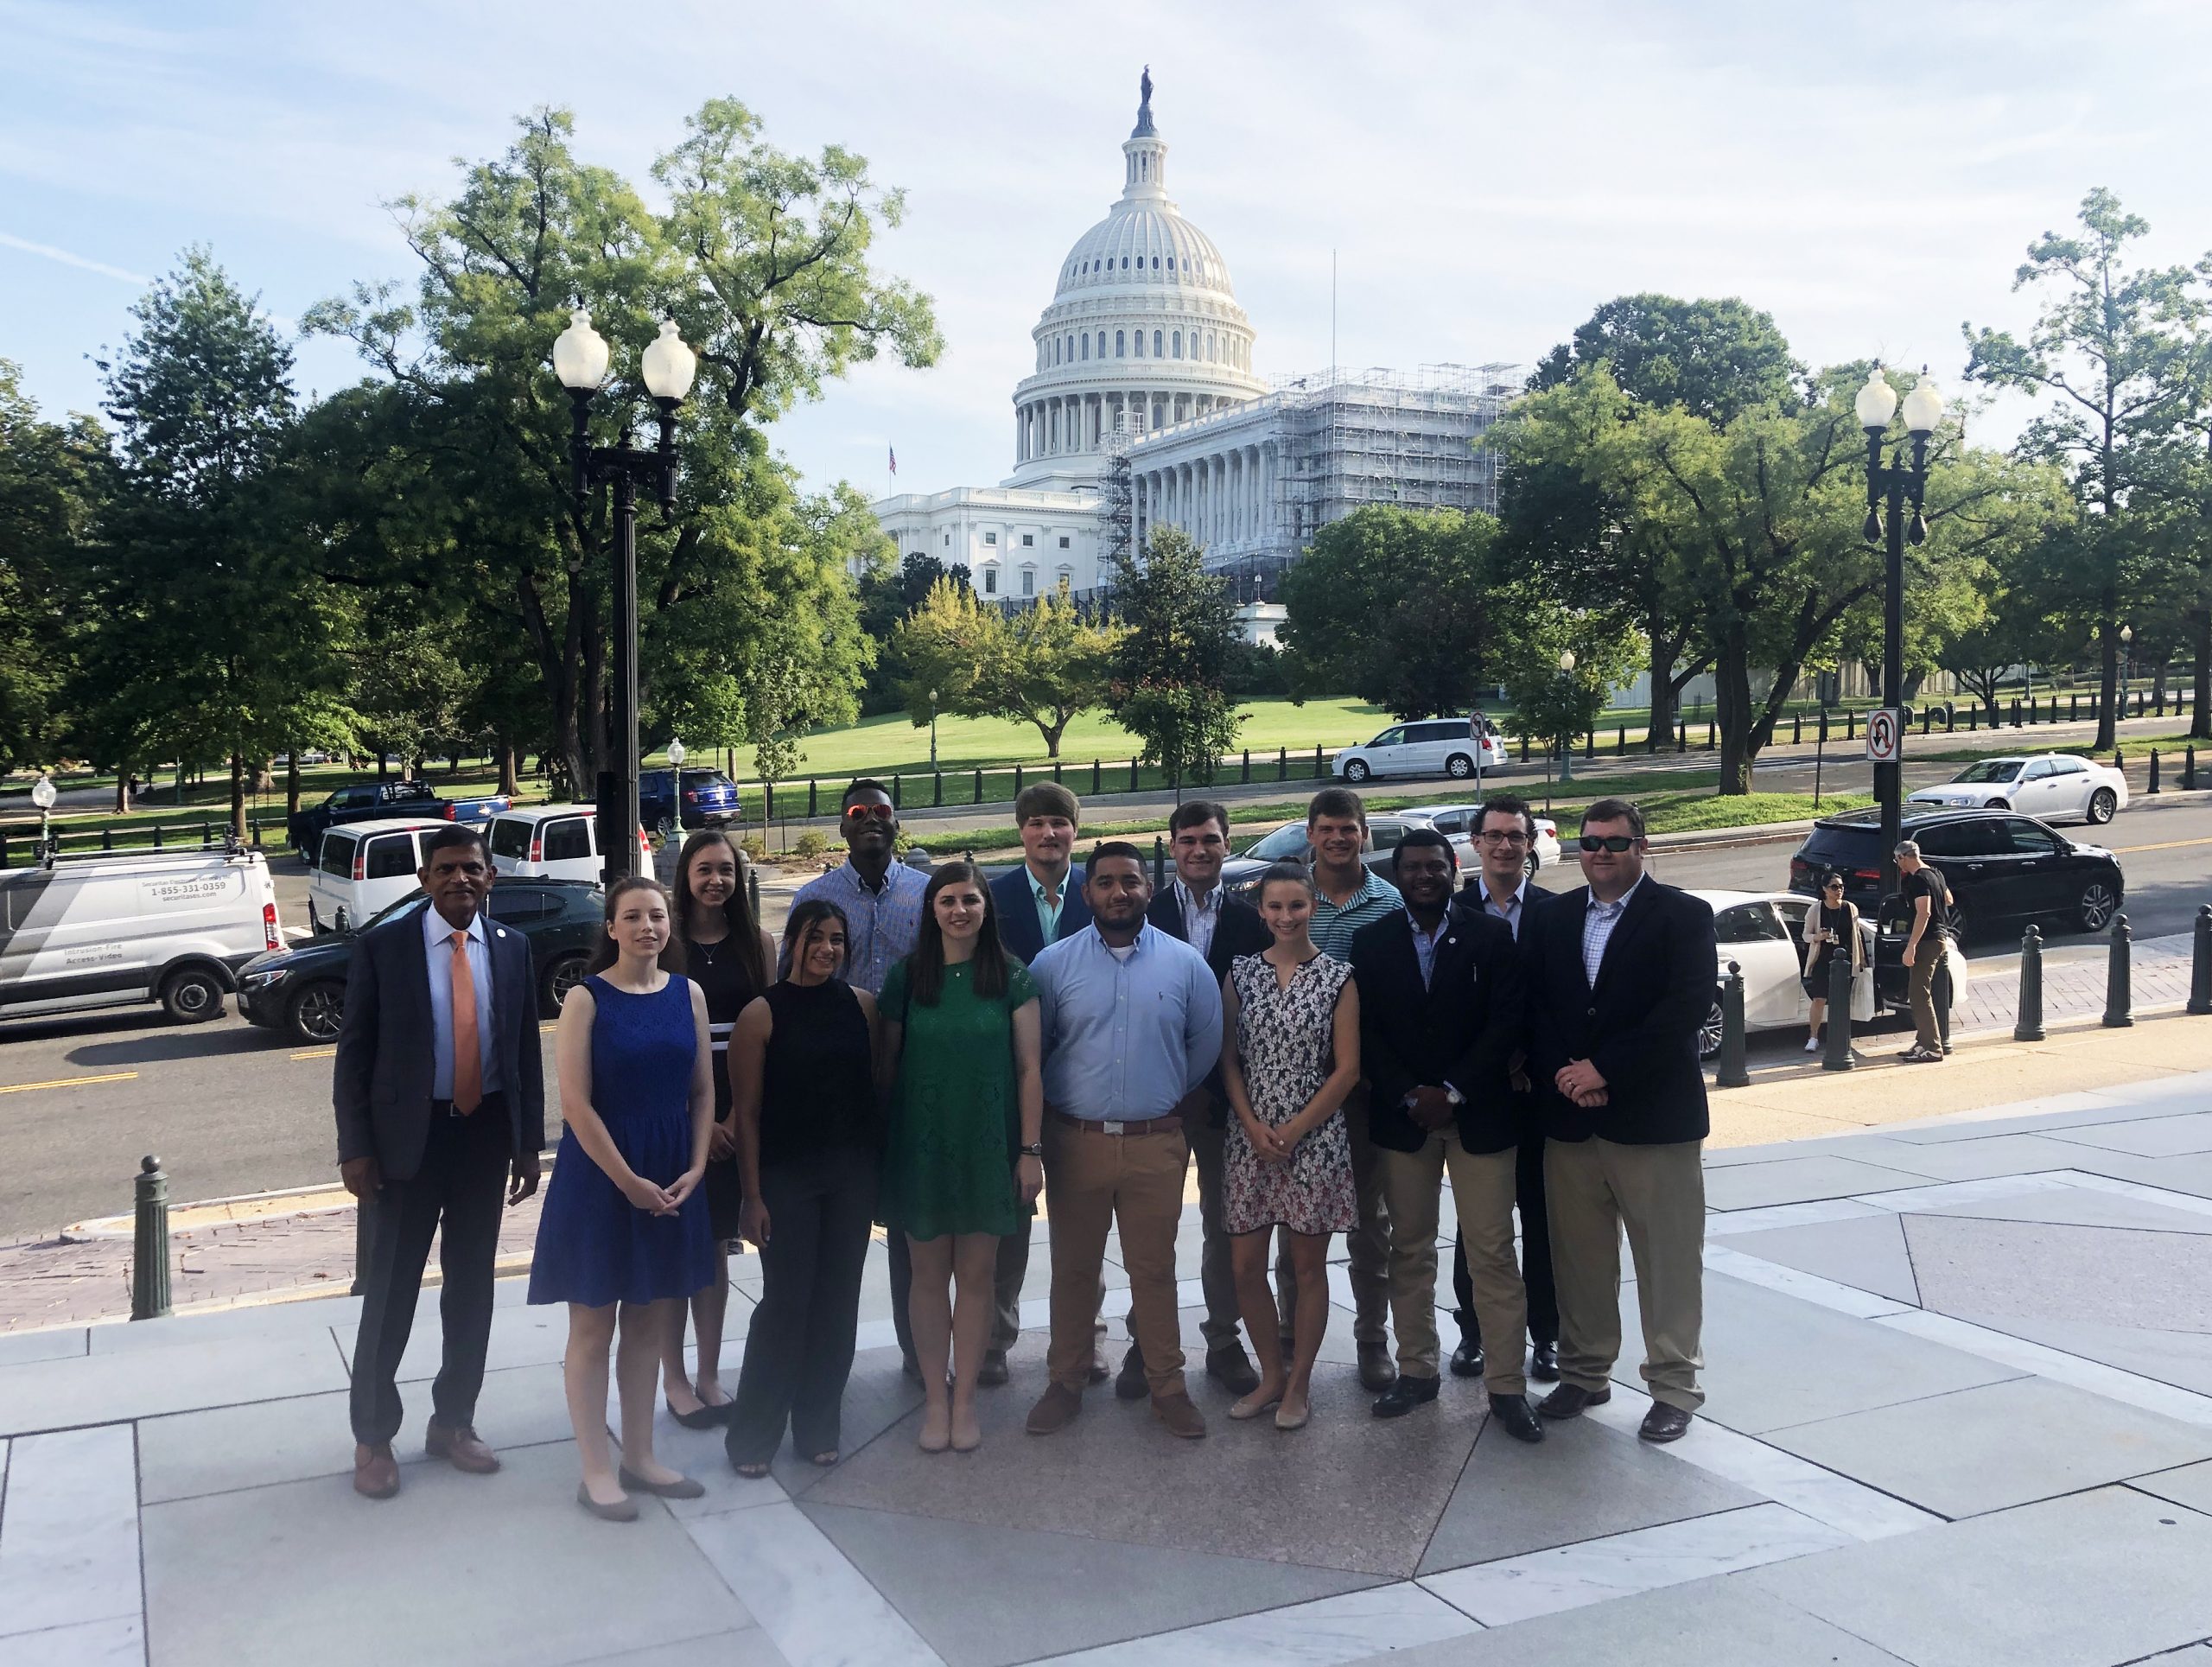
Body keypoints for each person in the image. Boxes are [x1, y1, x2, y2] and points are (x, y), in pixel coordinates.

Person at [335, 824, 544, 1502]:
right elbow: (354, 1056)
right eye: (447, 869)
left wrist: (526, 1143)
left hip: (483, 1135)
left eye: (473, 869)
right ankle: (373, 1436)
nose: (461, 879)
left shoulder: (514, 950)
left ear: (492, 878)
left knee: (472, 1289)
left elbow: (523, 1053)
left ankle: (453, 1421)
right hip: (406, 1144)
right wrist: (356, 1147)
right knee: (391, 1290)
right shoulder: (383, 947)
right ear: (425, 880)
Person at [1523, 799, 1716, 1443]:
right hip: (1571, 1120)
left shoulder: (1683, 916)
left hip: (1654, 1119)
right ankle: (1584, 1371)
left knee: (1666, 1261)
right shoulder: (1551, 917)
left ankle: (1672, 1386)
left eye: (1613, 842)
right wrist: (1568, 1074)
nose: (1600, 853)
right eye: (1590, 843)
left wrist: (1604, 1069)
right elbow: (1538, 1008)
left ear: (1641, 845)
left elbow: (1684, 1007)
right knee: (1580, 1258)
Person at [529, 877, 716, 1519]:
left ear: (671, 925)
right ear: (611, 926)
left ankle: (640, 1455)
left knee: (649, 1320)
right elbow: (576, 1104)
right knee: (592, 1325)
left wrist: (694, 1167)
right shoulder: (586, 998)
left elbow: (701, 1094)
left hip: (670, 1173)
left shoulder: (688, 993)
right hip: (601, 1177)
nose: (647, 926)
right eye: (632, 916)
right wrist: (627, 1180)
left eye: (657, 915)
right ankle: (595, 1470)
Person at [1024, 843, 1224, 1441]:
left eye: (1131, 881)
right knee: (1074, 1268)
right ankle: (1066, 1378)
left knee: (1155, 1270)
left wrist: (1152, 1094)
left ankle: (1168, 1385)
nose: (1119, 892)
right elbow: (1040, 1049)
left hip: (1154, 1143)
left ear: (1147, 888)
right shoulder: (1052, 964)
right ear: (1087, 892)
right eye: (1106, 882)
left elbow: (1203, 1046)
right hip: (1075, 1141)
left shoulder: (1186, 964)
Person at [1352, 830, 1540, 1440]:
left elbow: (1508, 1021)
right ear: (1398, 873)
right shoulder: (1372, 940)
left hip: (1479, 1117)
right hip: (1404, 1122)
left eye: (1436, 865)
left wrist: (1452, 1090)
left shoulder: (1490, 935)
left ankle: (1507, 1387)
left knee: (1491, 1252)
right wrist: (1411, 1092)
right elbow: (1368, 1033)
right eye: (1413, 867)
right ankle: (1417, 1370)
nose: (1425, 875)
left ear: (1453, 869)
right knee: (1409, 1248)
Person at [878, 863, 1046, 1454]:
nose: (958, 910)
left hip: (987, 1147)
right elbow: (889, 1067)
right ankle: (934, 1398)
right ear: (930, 908)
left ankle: (966, 1398)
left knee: (977, 1278)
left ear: (985, 907)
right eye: (947, 900)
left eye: (969, 899)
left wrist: (1029, 1150)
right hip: (922, 1146)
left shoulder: (1012, 977)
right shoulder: (907, 977)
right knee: (926, 1277)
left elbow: (1030, 1070)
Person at [1119, 799, 1271, 1401]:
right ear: (1173, 846)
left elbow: (1255, 1018)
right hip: (1155, 1102)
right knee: (1149, 1228)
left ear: (1227, 843)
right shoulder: (1142, 915)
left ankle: (1224, 1339)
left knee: (1223, 1226)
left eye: (1210, 839)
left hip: (1225, 1104)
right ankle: (1145, 1339)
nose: (1199, 849)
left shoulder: (1252, 920)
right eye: (1187, 840)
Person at [724, 900, 882, 1475]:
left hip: (850, 1180)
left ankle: (818, 1423)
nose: (827, 949)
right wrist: (751, 1195)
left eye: (837, 940)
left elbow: (875, 1094)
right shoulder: (761, 1015)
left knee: (837, 1305)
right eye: (816, 938)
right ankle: (753, 1435)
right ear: (791, 941)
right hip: (786, 1181)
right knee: (785, 1307)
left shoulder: (863, 1007)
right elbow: (746, 1115)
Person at [788, 781, 928, 1383]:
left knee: (908, 1226)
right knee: (830, 1232)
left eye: (881, 812)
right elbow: (788, 994)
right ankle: (816, 1366)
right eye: (856, 813)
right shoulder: (813, 898)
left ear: (898, 823)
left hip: (910, 1079)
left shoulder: (928, 896)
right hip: (831, 1088)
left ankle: (919, 1349)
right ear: (841, 827)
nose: (870, 820)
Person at [1219, 863, 1361, 1430]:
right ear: (1261, 913)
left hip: (1315, 1136)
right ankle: (1270, 1374)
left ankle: (1299, 1382)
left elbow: (1348, 1069)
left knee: (1307, 1266)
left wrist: (1297, 1128)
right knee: (1245, 1265)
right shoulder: (1240, 973)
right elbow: (1227, 1058)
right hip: (1249, 1138)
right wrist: (1252, 1125)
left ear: (1313, 907)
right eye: (1274, 907)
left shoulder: (1338, 978)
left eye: (1296, 906)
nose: (1285, 917)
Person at [979, 783, 1098, 1388]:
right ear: (1020, 829)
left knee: (1083, 1226)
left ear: (1075, 830)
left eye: (1060, 823)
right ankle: (996, 1339)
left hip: (1084, 1084)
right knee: (1011, 1222)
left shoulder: (1098, 892)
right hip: (1009, 1084)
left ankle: (1085, 1340)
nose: (1049, 833)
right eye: (1037, 823)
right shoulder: (991, 899)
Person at [1283, 786, 1400, 1394]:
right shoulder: (1289, 898)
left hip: (1362, 1089)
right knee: (1292, 1221)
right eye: (1326, 828)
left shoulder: (1389, 902)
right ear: (1310, 834)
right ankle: (1283, 1340)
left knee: (1369, 1223)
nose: (1336, 837)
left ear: (1363, 833)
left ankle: (1371, 1339)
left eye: (1347, 828)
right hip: (1291, 1091)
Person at [659, 829, 776, 1428]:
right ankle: (673, 1377)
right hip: (673, 1112)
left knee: (711, 1249)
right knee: (676, 1249)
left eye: (725, 870)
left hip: (740, 1109)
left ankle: (707, 1373)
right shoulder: (663, 943)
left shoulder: (757, 944)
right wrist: (696, 1123)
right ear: (686, 876)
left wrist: (731, 1117)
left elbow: (768, 1037)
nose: (715, 880)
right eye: (704, 869)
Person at [1444, 794, 1560, 1385]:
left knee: (1542, 1220)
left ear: (1530, 843)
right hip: (1479, 1093)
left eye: (1517, 835)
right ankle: (1474, 1331)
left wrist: (1530, 1059)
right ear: (1477, 842)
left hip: (1540, 1094)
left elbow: (1561, 1002)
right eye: (1495, 835)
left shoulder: (1557, 912)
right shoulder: (1452, 910)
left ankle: (1546, 1336)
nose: (1506, 845)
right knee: (1479, 1223)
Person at [1895, 841, 1950, 1064]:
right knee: (1919, 992)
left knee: (1919, 994)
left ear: (1903, 857)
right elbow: (1948, 899)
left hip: (1927, 941)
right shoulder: (1935, 873)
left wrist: (1912, 945)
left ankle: (1933, 1047)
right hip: (1939, 937)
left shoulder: (1918, 879)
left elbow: (1924, 912)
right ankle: (1922, 1042)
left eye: (1897, 860)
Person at [1802, 869, 1862, 1054]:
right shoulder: (1816, 909)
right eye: (1834, 887)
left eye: (1841, 887)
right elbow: (1805, 935)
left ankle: (1840, 1036)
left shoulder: (1850, 908)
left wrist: (1862, 961)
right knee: (1819, 998)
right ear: (1825, 889)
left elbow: (1857, 935)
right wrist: (1818, 937)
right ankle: (1813, 1037)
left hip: (1845, 960)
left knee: (1842, 1000)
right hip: (1823, 959)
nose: (1839, 890)